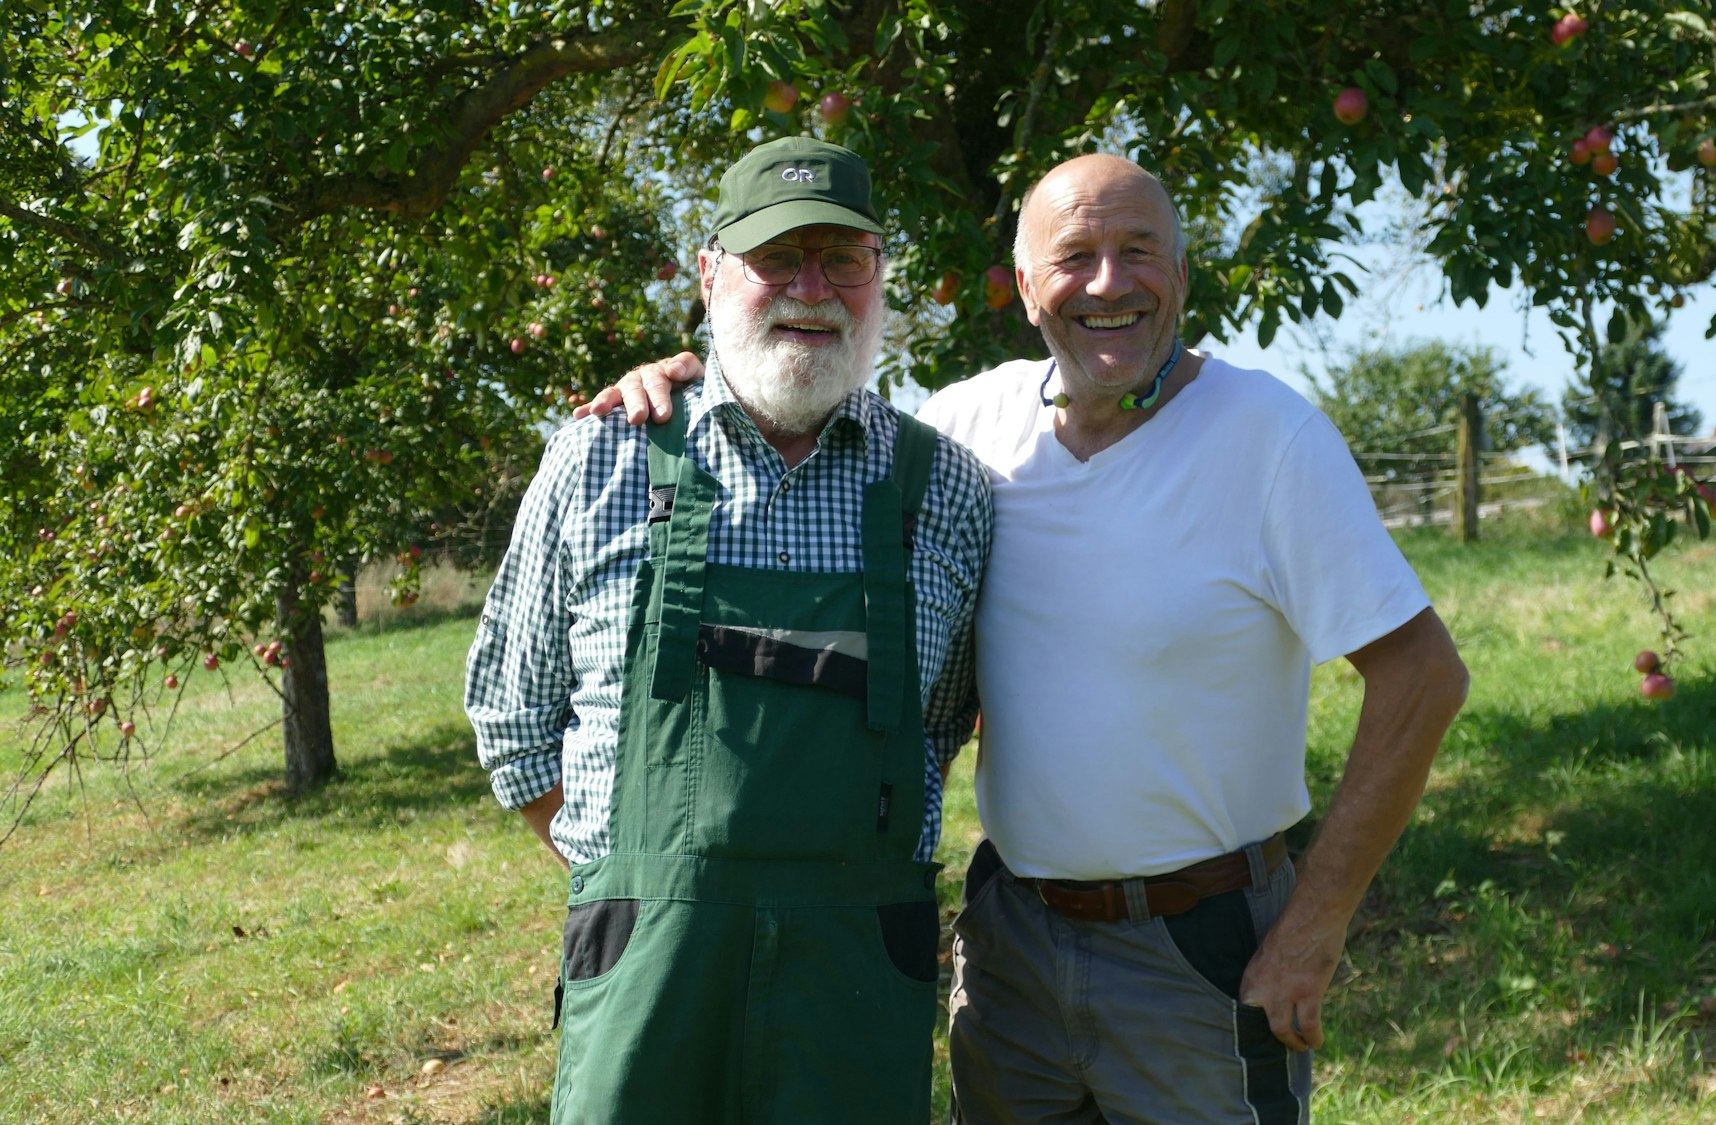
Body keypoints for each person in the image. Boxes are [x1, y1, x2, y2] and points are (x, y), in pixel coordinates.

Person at [590, 153, 1469, 1124]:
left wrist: (1312, 930)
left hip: (1198, 945)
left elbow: (1422, 677)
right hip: (1010, 941)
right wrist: (684, 375)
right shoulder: (971, 429)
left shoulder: (1267, 438)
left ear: (1180, 276)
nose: (1108, 282)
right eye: (1075, 255)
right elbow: (805, 406)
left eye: (1138, 252)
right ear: (1022, 286)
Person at [466, 136, 993, 1125]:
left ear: (880, 275)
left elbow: (947, 724)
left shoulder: (948, 490)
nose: (811, 288)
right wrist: (632, 886)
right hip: (643, 980)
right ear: (708, 276)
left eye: (842, 259)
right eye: (775, 258)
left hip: (853, 994)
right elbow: (511, 719)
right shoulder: (601, 460)